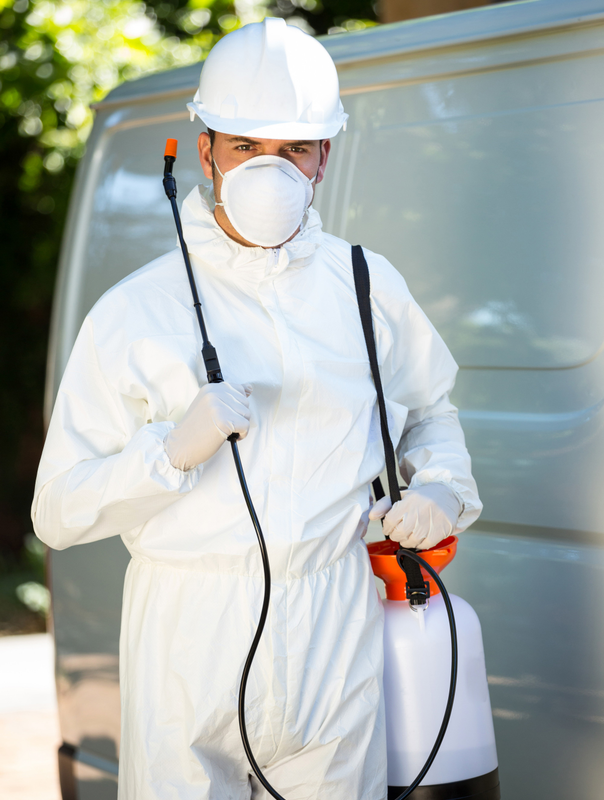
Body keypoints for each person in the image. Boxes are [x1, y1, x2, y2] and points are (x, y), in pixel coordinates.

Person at [32, 17, 482, 800]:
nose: (270, 169)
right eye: (246, 145)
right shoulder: (138, 310)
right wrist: (169, 453)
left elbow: (430, 408)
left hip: (335, 626)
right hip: (189, 635)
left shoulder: (366, 285)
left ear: (324, 157)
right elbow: (58, 511)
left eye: (294, 148)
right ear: (204, 149)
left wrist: (442, 488)